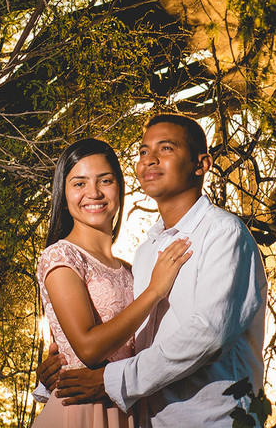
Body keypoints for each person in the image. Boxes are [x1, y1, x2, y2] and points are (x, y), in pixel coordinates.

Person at [45, 115, 268, 428]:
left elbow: (209, 333)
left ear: (201, 164)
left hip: (213, 420)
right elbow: (131, 338)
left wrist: (112, 380)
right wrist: (61, 368)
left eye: (166, 149)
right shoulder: (147, 251)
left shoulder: (223, 232)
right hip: (147, 420)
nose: (150, 159)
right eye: (143, 151)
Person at [33, 137, 193, 428]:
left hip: (128, 408)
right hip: (81, 412)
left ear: (119, 187)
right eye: (79, 183)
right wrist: (155, 291)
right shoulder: (60, 255)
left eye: (104, 180)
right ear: (63, 192)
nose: (93, 193)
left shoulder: (132, 270)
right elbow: (89, 349)